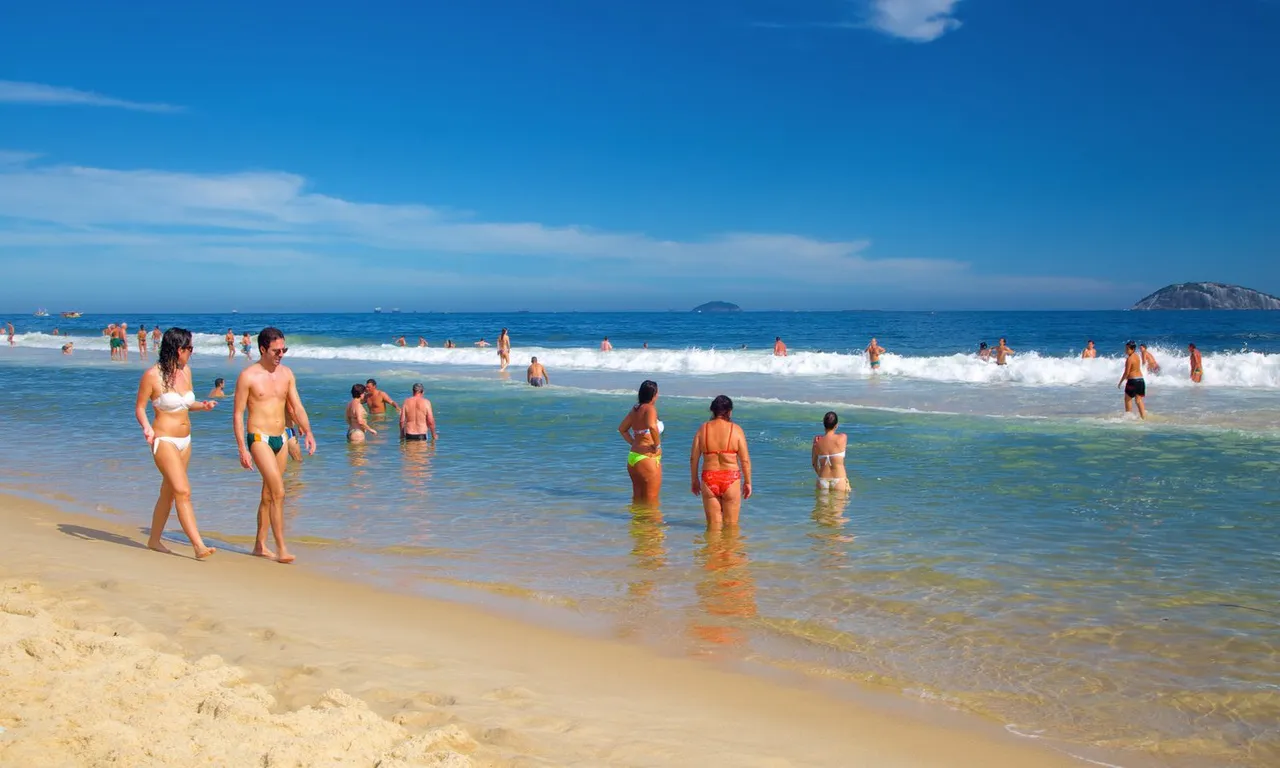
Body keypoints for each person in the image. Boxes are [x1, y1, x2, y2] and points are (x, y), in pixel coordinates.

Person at [233, 327, 317, 564]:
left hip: (282, 436)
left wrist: (308, 431)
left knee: (269, 494)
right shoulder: (248, 376)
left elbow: (297, 406)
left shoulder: (287, 374)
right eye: (276, 350)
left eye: (284, 349)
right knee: (279, 491)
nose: (281, 354)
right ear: (262, 349)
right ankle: (281, 548)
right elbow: (238, 414)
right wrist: (242, 448)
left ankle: (260, 545)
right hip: (258, 438)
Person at [133, 328, 218, 560]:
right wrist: (147, 428)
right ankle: (198, 546)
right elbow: (140, 407)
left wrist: (204, 405)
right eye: (190, 348)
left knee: (168, 492)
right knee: (183, 491)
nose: (192, 352)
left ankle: (153, 540)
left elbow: (186, 404)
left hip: (186, 441)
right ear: (179, 349)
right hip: (164, 440)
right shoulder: (152, 375)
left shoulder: (186, 371)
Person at [690, 395, 752, 529]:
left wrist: (694, 479)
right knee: (731, 527)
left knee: (713, 528)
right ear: (729, 411)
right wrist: (747, 482)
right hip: (731, 478)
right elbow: (745, 460)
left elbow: (694, 458)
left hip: (709, 478)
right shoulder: (736, 430)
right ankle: (728, 550)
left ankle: (712, 549)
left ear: (713, 411)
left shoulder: (703, 429)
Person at [618, 379, 662, 503]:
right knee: (651, 501)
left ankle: (637, 522)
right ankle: (651, 523)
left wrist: (633, 442)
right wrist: (657, 445)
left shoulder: (636, 409)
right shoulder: (650, 409)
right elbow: (652, 426)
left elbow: (622, 429)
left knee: (638, 500)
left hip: (633, 457)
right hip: (647, 458)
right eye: (657, 393)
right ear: (653, 395)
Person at [811, 411, 851, 493]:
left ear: (824, 424)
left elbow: (814, 464)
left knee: (821, 506)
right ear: (836, 425)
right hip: (839, 479)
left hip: (822, 480)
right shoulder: (842, 437)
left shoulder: (817, 441)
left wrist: (821, 475)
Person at [1117, 341, 1146, 420]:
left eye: (1127, 349)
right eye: (1125, 349)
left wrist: (1120, 382)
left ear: (1132, 349)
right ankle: (1143, 417)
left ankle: (1128, 417)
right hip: (1141, 380)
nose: (1126, 351)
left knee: (1127, 399)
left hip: (1133, 382)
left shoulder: (1129, 359)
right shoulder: (1137, 356)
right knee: (1139, 400)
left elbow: (1126, 373)